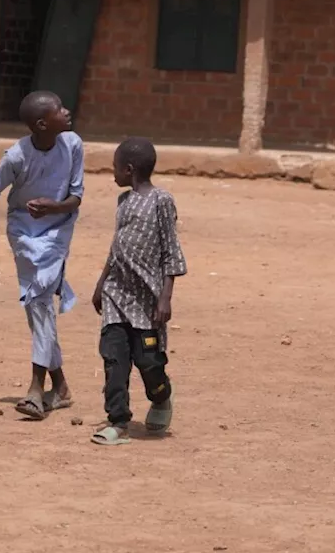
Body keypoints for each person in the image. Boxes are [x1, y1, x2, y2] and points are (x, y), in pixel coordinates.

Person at [0, 91, 84, 420]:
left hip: (57, 233)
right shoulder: (16, 157)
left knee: (38, 301)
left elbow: (76, 197)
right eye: (59, 110)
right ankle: (58, 387)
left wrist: (54, 206)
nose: (67, 112)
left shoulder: (73, 145)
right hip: (23, 233)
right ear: (41, 124)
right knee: (39, 306)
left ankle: (38, 388)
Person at [89, 137, 186, 446]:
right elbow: (116, 247)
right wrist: (101, 282)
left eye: (115, 168)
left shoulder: (161, 200)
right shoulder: (123, 202)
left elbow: (172, 251)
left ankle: (161, 399)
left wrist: (165, 297)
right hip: (117, 295)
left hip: (148, 301)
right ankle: (118, 422)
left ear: (128, 169)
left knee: (149, 363)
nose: (112, 174)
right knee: (114, 359)